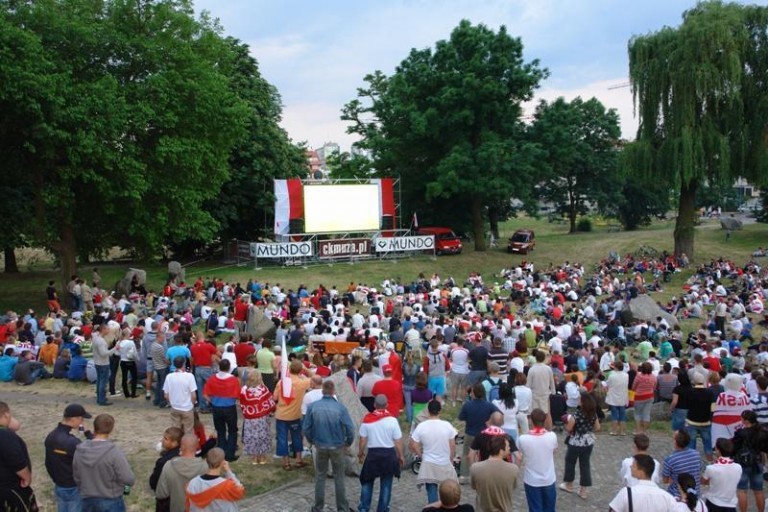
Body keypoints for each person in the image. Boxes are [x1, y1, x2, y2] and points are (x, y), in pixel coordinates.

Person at [303, 380, 356, 512]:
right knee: (339, 477)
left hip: (320, 444)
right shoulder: (340, 408)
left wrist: (312, 441)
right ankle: (342, 508)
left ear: (322, 391)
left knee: (320, 476)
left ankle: (318, 507)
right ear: (333, 392)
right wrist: (347, 443)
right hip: (337, 445)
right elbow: (350, 429)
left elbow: (306, 427)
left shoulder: (313, 407)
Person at [73, 413, 136, 512]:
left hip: (87, 499)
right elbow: (128, 479)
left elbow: (76, 475)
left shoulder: (80, 450)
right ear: (111, 429)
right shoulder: (114, 453)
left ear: (94, 427)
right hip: (110, 500)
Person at [357, 394, 404, 512]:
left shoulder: (367, 420)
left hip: (373, 455)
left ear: (374, 405)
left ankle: (364, 508)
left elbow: (362, 440)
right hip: (389, 455)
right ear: (387, 405)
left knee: (367, 482)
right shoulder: (393, 421)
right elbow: (398, 441)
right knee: (386, 485)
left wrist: (360, 453)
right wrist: (400, 456)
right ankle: (382, 509)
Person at [45, 403, 93, 512]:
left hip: (59, 484)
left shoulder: (51, 436)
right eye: (81, 419)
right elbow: (94, 452)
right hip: (73, 486)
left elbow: (48, 462)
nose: (82, 422)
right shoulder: (72, 442)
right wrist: (88, 434)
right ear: (74, 419)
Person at [410, 400, 459, 504]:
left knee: (431, 492)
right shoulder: (447, 425)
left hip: (429, 463)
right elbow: (453, 445)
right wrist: (451, 458)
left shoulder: (421, 426)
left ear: (428, 411)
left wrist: (421, 455)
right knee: (448, 491)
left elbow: (414, 445)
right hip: (444, 462)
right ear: (440, 411)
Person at [559, 391, 600, 500]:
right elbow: (597, 428)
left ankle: (569, 485)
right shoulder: (593, 415)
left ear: (582, 403)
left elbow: (569, 428)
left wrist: (565, 423)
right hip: (588, 441)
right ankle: (583, 491)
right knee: (585, 464)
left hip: (575, 442)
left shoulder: (575, 416)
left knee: (570, 462)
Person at [517, 408, 558, 512]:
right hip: (548, 479)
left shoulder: (523, 439)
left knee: (535, 509)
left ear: (531, 420)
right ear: (544, 421)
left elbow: (519, 454)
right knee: (549, 509)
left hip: (532, 480)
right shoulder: (552, 436)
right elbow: (554, 451)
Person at [0, 401, 38, 511]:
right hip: (12, 489)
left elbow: (16, 425)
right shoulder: (5, 435)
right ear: (7, 414)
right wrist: (27, 477)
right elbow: (16, 461)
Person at [273, 359, 311, 470]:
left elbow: (274, 398)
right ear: (300, 371)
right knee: (297, 437)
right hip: (295, 415)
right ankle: (299, 460)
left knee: (282, 438)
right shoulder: (303, 382)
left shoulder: (281, 382)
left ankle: (286, 463)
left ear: (289, 369)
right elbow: (316, 378)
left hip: (281, 415)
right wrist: (306, 369)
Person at [458, 383, 500, 482]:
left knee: (466, 454)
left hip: (470, 433)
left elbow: (461, 418)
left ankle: (465, 476)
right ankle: (484, 475)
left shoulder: (467, 405)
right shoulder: (489, 405)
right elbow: (498, 414)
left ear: (473, 393)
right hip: (484, 435)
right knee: (484, 454)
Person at [608, 454, 679, 512]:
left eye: (634, 466)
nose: (631, 467)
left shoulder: (626, 493)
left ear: (641, 471)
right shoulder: (667, 497)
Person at [156, 434, 208, 512]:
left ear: (181, 446)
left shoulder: (169, 466)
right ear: (197, 447)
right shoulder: (206, 467)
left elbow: (161, 494)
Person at [203, 358, 241, 462]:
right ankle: (230, 454)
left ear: (219, 367)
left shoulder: (212, 378)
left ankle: (221, 452)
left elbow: (205, 394)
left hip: (217, 407)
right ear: (229, 368)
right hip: (229, 408)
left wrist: (212, 401)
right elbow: (238, 395)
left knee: (220, 431)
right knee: (232, 431)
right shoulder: (233, 379)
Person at [185, 447, 245, 512]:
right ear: (222, 462)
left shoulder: (192, 484)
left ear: (206, 461)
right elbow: (240, 492)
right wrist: (228, 472)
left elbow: (188, 506)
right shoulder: (227, 486)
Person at [470, 434, 519, 512]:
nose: (509, 449)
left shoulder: (475, 468)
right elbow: (513, 487)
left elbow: (474, 487)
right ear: (501, 450)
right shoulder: (513, 469)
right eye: (508, 446)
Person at [732, 410, 767, 512]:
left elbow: (734, 448)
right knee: (759, 491)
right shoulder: (762, 432)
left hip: (743, 463)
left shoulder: (740, 433)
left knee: (742, 490)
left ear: (745, 420)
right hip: (757, 463)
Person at [239, 370, 275, 465]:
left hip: (250, 418)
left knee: (252, 436)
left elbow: (242, 403)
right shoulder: (263, 389)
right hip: (262, 418)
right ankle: (262, 457)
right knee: (263, 436)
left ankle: (254, 458)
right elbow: (269, 401)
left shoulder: (244, 390)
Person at [148, 427, 183, 512]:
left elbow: (154, 482)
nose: (162, 440)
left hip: (166, 502)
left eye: (166, 439)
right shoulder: (183, 455)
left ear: (174, 443)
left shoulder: (163, 462)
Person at [702, 437, 741, 512]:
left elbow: (703, 481)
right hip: (731, 505)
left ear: (718, 451)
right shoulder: (738, 467)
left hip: (714, 503)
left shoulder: (711, 468)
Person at [663, 429, 702, 499]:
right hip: (695, 493)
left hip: (677, 496)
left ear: (675, 442)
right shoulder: (697, 454)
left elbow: (665, 480)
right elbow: (699, 471)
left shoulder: (670, 460)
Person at [164, 356, 198, 434]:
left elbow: (166, 395)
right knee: (188, 430)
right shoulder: (189, 376)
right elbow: (193, 395)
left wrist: (171, 403)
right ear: (184, 364)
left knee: (175, 431)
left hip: (175, 407)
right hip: (187, 408)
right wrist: (192, 405)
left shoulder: (169, 377)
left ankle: (176, 445)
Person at [526, 350, 556, 429]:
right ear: (544, 358)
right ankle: (549, 431)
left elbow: (528, 385)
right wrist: (553, 392)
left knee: (534, 415)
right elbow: (552, 382)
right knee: (547, 413)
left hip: (534, 395)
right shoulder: (548, 369)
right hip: (545, 394)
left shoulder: (532, 369)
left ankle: (534, 430)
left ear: (536, 358)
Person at [190, 332, 217, 414]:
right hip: (207, 368)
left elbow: (192, 358)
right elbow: (216, 353)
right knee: (212, 387)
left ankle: (203, 407)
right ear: (203, 337)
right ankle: (213, 404)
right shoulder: (208, 346)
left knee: (200, 388)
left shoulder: (192, 347)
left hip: (198, 368)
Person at [92, 323, 117, 406]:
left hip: (97, 362)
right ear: (103, 329)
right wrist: (115, 349)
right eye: (107, 329)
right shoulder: (100, 341)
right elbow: (104, 353)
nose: (109, 330)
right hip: (103, 363)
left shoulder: (95, 338)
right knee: (103, 382)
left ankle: (100, 397)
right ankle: (102, 399)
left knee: (99, 380)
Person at [632, 362, 656, 435]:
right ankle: (644, 431)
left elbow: (633, 387)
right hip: (650, 396)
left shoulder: (639, 376)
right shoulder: (653, 377)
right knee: (646, 414)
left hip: (639, 397)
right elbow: (654, 387)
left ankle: (638, 430)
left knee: (638, 414)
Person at [605, 360, 629, 436]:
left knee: (614, 415)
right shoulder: (626, 375)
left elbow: (607, 384)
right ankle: (622, 431)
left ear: (616, 367)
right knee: (622, 415)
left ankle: (614, 431)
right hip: (623, 396)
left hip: (613, 397)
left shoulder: (612, 376)